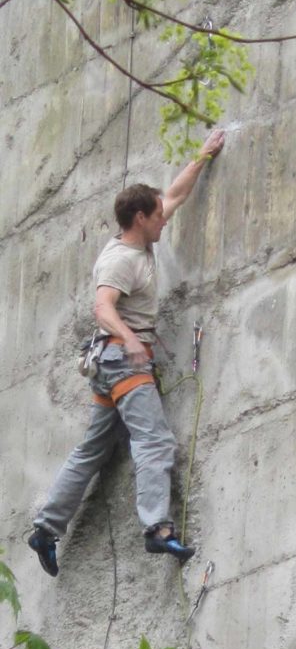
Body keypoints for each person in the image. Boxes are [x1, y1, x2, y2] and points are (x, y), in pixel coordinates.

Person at [28, 129, 225, 576]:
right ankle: (157, 529)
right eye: (158, 216)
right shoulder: (122, 261)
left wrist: (203, 155)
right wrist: (133, 339)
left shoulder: (143, 238)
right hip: (123, 361)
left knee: (93, 449)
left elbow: (173, 194)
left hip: (112, 364)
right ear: (139, 218)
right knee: (154, 440)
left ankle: (46, 528)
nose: (165, 220)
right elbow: (102, 307)